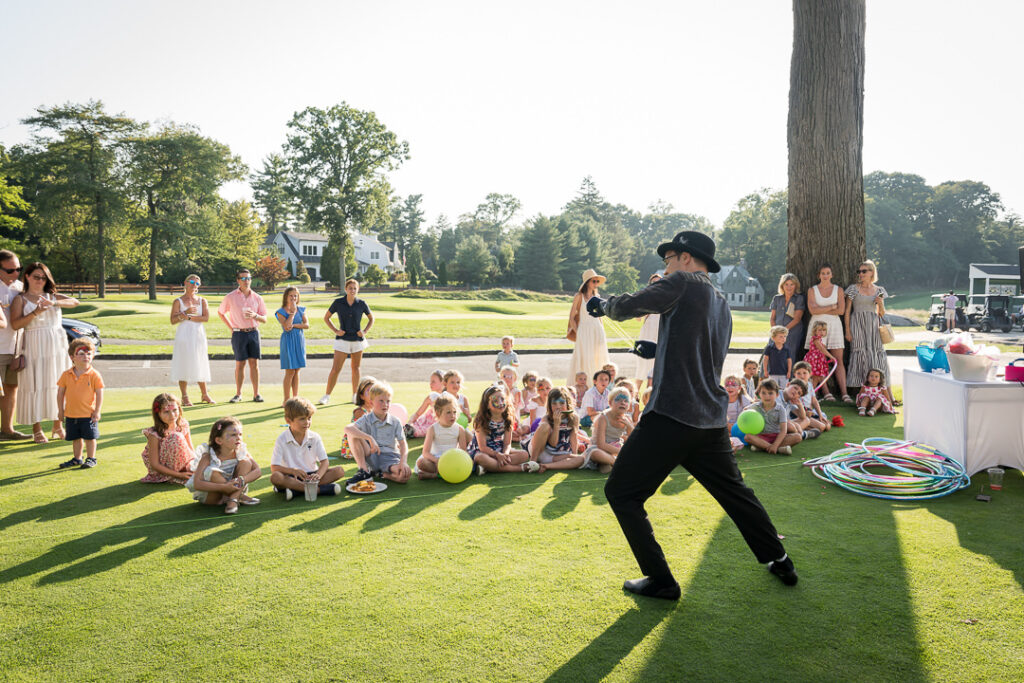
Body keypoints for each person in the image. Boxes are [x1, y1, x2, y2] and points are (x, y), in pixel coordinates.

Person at [589, 230, 798, 599]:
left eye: (669, 259)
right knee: (735, 494)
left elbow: (628, 306)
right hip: (710, 419)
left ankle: (662, 581)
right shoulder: (720, 301)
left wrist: (603, 305)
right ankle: (780, 559)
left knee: (621, 492)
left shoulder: (682, 282)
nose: (666, 267)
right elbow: (699, 348)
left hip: (671, 415)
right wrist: (655, 348)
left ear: (685, 258)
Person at [10, 262, 77, 443]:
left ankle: (58, 425)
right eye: (36, 277)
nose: (40, 280)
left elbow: (75, 302)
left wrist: (53, 302)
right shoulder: (20, 299)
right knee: (35, 384)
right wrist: (36, 312)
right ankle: (37, 428)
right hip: (34, 345)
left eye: (43, 277)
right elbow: (16, 324)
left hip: (57, 344)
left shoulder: (51, 296)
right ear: (27, 277)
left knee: (58, 384)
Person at [270, 397, 344, 500]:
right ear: (288, 420)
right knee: (276, 477)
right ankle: (319, 490)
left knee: (339, 471)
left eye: (309, 418)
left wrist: (318, 475)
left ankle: (296, 491)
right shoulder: (282, 439)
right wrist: (293, 471)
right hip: (292, 477)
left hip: (312, 476)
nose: (307, 422)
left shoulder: (315, 437)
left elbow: (324, 462)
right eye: (302, 419)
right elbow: (274, 467)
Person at [186, 417, 262, 514]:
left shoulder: (241, 451)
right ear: (219, 440)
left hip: (235, 486)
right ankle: (237, 496)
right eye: (233, 435)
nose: (238, 438)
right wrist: (224, 487)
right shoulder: (208, 456)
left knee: (246, 462)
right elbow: (197, 483)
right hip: (213, 495)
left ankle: (233, 500)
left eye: (240, 434)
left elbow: (258, 471)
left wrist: (241, 480)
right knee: (212, 472)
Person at [844, 260, 894, 404]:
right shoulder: (853, 289)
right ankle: (864, 394)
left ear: (872, 272)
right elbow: (847, 311)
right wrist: (847, 330)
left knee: (878, 357)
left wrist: (881, 304)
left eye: (864, 271)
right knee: (861, 355)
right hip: (857, 324)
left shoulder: (879, 290)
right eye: (859, 271)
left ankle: (887, 394)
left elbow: (882, 313)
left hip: (873, 326)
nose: (861, 274)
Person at [344, 381, 411, 484]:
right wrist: (369, 438)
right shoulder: (366, 418)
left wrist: (403, 462)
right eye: (381, 401)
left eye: (388, 401)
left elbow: (403, 443)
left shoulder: (395, 421)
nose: (385, 404)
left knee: (405, 474)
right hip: (371, 456)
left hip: (390, 458)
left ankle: (382, 474)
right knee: (353, 434)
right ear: (371, 403)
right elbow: (347, 428)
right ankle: (364, 471)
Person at [217, 269, 267, 403]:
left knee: (254, 364)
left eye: (248, 278)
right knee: (240, 364)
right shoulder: (230, 297)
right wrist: (231, 328)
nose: (246, 281)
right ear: (238, 280)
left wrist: (255, 316)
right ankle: (238, 394)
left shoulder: (257, 298)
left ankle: (256, 394)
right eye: (243, 278)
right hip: (238, 333)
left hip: (253, 332)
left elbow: (264, 318)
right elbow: (221, 312)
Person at [320, 278, 374, 405]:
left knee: (356, 368)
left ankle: (355, 395)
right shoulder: (338, 302)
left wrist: (364, 331)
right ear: (346, 289)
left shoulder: (362, 303)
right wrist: (335, 330)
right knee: (336, 369)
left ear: (358, 290)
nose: (353, 290)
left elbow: (371, 319)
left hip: (357, 340)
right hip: (342, 340)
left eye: (355, 288)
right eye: (350, 288)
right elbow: (327, 318)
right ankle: (326, 395)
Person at [55, 338, 104, 469]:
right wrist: (60, 411)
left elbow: (99, 393)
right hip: (71, 414)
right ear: (72, 357)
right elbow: (60, 393)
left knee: (90, 438)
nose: (85, 356)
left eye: (88, 353)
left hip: (89, 414)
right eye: (81, 353)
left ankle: (91, 458)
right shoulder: (66, 375)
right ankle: (77, 459)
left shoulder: (94, 375)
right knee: (76, 438)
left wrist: (97, 411)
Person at [804, 263, 850, 402]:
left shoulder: (838, 290)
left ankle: (844, 393)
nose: (825, 276)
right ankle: (826, 392)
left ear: (832, 274)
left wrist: (820, 308)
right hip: (817, 326)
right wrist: (831, 306)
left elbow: (841, 311)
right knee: (818, 359)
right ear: (819, 275)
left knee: (838, 360)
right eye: (822, 273)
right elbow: (813, 311)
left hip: (834, 326)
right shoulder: (812, 290)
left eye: (828, 273)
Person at [467, 384, 536, 474]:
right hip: (484, 452)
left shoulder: (508, 418)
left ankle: (488, 468)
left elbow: (507, 443)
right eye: (495, 400)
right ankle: (520, 468)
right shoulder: (481, 421)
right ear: (487, 405)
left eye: (502, 399)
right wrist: (497, 455)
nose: (500, 403)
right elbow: (482, 447)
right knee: (480, 458)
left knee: (524, 454)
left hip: (500, 449)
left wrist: (505, 455)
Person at [169, 274, 214, 407]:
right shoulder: (178, 301)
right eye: (192, 282)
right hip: (184, 335)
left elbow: (205, 318)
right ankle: (185, 396)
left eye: (197, 283)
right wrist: (185, 313)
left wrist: (188, 317)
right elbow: (173, 320)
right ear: (186, 283)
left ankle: (204, 394)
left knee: (200, 361)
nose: (194, 285)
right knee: (184, 363)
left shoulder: (202, 301)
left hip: (198, 335)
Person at [0, 249, 29, 440]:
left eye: (18, 269)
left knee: (11, 388)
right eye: (10, 270)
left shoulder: (21, 288)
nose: (16, 273)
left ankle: (7, 430)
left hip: (16, 349)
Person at [566, 269, 610, 387]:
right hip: (584, 330)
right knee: (584, 357)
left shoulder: (597, 296)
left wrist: (602, 330)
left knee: (598, 357)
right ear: (587, 282)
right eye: (593, 281)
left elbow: (600, 316)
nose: (596, 284)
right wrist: (578, 332)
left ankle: (600, 385)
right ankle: (584, 386)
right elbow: (571, 317)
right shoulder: (579, 296)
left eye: (597, 281)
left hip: (597, 330)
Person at [140, 393, 195, 484]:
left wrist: (194, 464)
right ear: (158, 414)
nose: (172, 415)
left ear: (179, 409)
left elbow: (190, 450)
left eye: (175, 410)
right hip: (161, 470)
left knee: (205, 465)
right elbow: (155, 464)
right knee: (176, 437)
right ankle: (173, 476)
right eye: (166, 412)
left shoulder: (183, 424)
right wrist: (179, 475)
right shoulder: (154, 434)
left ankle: (186, 470)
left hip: (181, 462)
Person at [416, 394, 471, 480]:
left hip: (451, 460)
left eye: (454, 412)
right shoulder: (432, 429)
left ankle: (434, 475)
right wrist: (436, 460)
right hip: (435, 460)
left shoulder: (459, 429)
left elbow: (463, 451)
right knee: (421, 462)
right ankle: (441, 473)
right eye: (448, 412)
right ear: (438, 413)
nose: (452, 415)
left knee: (469, 460)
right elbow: (425, 452)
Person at [528, 387, 584, 471]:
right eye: (554, 403)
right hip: (543, 451)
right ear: (549, 406)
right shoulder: (546, 418)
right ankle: (532, 462)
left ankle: (546, 466)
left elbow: (573, 438)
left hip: (560, 453)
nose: (558, 407)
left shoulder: (574, 418)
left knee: (580, 459)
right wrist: (556, 424)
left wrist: (574, 455)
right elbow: (553, 444)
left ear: (567, 403)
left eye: (562, 403)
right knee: (544, 426)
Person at [583, 386, 634, 474]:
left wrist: (630, 427)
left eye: (626, 401)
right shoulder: (603, 417)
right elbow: (601, 444)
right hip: (599, 449)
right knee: (595, 453)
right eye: (618, 400)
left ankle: (610, 462)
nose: (622, 403)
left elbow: (633, 440)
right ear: (610, 403)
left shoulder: (628, 419)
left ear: (629, 406)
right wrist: (623, 453)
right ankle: (621, 463)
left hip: (615, 449)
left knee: (605, 470)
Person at [746, 380, 802, 455]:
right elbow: (745, 411)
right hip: (762, 436)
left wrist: (775, 444)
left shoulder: (781, 409)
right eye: (763, 393)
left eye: (770, 393)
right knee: (748, 437)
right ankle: (777, 449)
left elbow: (783, 431)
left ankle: (762, 447)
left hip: (777, 437)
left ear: (777, 395)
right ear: (759, 394)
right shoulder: (756, 406)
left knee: (798, 437)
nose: (767, 396)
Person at [276, 286, 309, 406]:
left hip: (299, 340)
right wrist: (292, 313)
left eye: (295, 295)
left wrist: (295, 325)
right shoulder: (281, 312)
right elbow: (286, 327)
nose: (293, 298)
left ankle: (295, 398)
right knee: (290, 371)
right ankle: (286, 399)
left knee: (297, 370)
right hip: (288, 341)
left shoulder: (302, 309)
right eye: (291, 295)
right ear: (286, 296)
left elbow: (306, 325)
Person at [635, 273, 663, 392]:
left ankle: (651, 394)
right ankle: (635, 394)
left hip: (661, 331)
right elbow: (638, 317)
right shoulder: (646, 297)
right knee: (643, 363)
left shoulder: (666, 297)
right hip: (648, 331)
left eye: (658, 281)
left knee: (657, 363)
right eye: (653, 282)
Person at [769, 273, 806, 361]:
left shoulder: (799, 299)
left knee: (789, 355)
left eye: (791, 284)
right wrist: (775, 332)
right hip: (776, 333)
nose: (789, 287)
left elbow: (797, 319)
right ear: (782, 286)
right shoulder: (777, 298)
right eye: (786, 284)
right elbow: (772, 318)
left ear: (795, 285)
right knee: (771, 354)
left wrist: (783, 333)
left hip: (792, 333)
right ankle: (767, 374)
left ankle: (789, 375)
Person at [405, 369, 446, 438]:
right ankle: (408, 429)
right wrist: (410, 422)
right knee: (418, 425)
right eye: (430, 381)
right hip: (427, 421)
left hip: (438, 424)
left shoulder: (448, 397)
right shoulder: (430, 397)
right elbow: (418, 413)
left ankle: (411, 431)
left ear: (442, 383)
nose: (430, 384)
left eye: (433, 381)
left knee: (430, 429)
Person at [792, 362, 830, 431]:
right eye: (798, 373)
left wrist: (820, 415)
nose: (802, 376)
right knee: (821, 427)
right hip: (799, 413)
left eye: (804, 373)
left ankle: (804, 427)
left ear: (810, 374)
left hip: (809, 412)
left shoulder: (809, 385)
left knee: (827, 426)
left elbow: (814, 400)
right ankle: (798, 428)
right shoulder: (793, 387)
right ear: (794, 374)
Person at [803, 320, 835, 398]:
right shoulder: (815, 339)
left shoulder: (819, 339)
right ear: (815, 331)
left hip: (818, 360)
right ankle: (810, 394)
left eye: (823, 330)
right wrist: (831, 356)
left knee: (818, 377)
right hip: (814, 360)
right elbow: (821, 349)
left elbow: (822, 347)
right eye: (819, 330)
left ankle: (812, 394)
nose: (822, 332)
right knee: (815, 377)